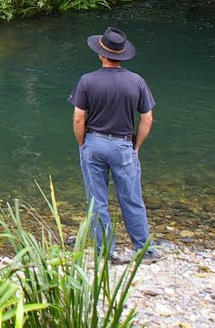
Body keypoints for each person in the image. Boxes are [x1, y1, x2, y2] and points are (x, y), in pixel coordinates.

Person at [68, 26, 159, 262]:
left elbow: (79, 118)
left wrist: (83, 144)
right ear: (122, 55)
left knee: (97, 201)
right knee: (131, 198)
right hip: (123, 146)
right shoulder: (137, 81)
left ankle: (105, 252)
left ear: (101, 54)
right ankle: (144, 250)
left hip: (94, 143)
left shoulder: (87, 81)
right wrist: (136, 146)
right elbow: (147, 118)